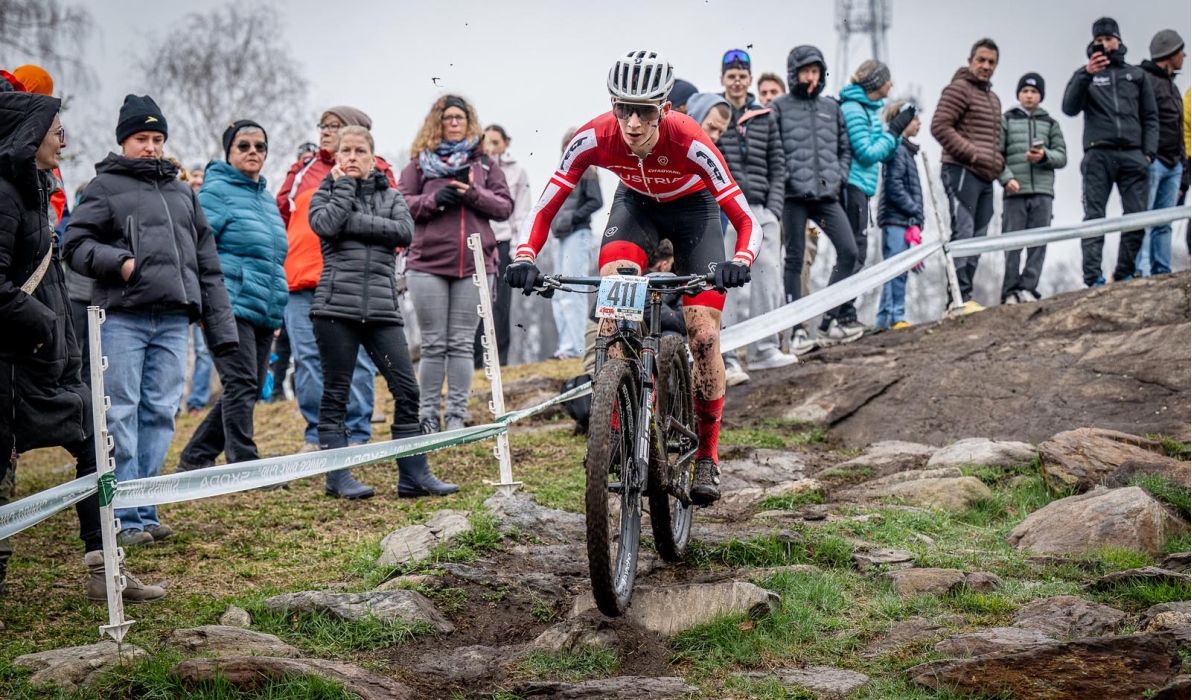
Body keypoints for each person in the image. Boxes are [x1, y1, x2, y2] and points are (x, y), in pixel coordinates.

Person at [507, 50, 761, 505]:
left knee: (703, 335)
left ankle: (707, 456)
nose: (633, 123)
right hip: (636, 208)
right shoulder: (595, 135)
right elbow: (547, 202)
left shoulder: (690, 138)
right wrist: (525, 254)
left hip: (693, 216)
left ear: (665, 109)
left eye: (644, 111)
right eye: (623, 108)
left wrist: (740, 260)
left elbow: (745, 217)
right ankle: (617, 429)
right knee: (613, 316)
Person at [0, 89, 166, 603]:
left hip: (45, 363)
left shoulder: (35, 190)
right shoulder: (4, 195)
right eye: (56, 133)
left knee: (97, 440)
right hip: (10, 366)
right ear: (30, 137)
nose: (61, 143)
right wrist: (44, 323)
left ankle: (104, 568)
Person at [63, 95, 237, 546]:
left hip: (175, 319)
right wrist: (119, 262)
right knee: (121, 413)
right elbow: (75, 244)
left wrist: (219, 327)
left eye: (158, 138)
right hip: (123, 318)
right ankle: (121, 515)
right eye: (142, 138)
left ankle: (146, 507)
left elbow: (207, 262)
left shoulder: (183, 192)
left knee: (160, 412)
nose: (151, 146)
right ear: (124, 141)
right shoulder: (104, 188)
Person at [310, 126, 457, 499]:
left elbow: (404, 232)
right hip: (335, 309)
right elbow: (326, 225)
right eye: (346, 151)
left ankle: (413, 475)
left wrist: (352, 226)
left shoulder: (391, 195)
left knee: (407, 391)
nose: (353, 157)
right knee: (336, 393)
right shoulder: (325, 193)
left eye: (361, 150)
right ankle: (337, 477)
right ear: (336, 157)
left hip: (382, 309)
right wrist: (344, 190)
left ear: (373, 157)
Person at [276, 106, 390, 452]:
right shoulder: (302, 170)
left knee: (355, 357)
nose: (326, 131)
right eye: (323, 125)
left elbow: (390, 221)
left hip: (350, 278)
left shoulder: (378, 169)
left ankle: (356, 433)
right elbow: (280, 216)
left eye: (335, 126)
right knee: (307, 358)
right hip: (301, 280)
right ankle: (318, 434)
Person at [177, 120, 288, 472]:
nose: (253, 151)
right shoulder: (216, 193)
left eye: (260, 146)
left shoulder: (267, 200)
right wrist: (198, 303)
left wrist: (276, 311)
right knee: (240, 382)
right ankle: (245, 465)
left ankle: (196, 455)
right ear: (228, 152)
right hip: (226, 303)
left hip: (262, 308)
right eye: (244, 145)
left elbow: (272, 259)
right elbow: (194, 249)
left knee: (251, 386)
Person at [398, 95, 513, 434]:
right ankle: (429, 416)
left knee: (462, 343)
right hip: (427, 263)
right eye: (447, 117)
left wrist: (471, 194)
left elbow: (505, 206)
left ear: (469, 121)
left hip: (474, 264)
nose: (453, 122)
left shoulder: (487, 165)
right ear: (437, 121)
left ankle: (456, 418)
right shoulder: (419, 164)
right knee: (434, 343)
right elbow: (402, 202)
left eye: (459, 117)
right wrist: (434, 200)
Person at [770, 46, 858, 345]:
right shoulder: (780, 106)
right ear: (794, 73)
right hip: (793, 197)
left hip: (826, 195)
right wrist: (786, 179)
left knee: (849, 252)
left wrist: (839, 176)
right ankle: (797, 331)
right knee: (794, 259)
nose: (811, 76)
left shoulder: (831, 107)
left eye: (815, 71)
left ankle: (828, 319)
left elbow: (845, 149)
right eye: (806, 70)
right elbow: (775, 148)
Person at [1063, 18, 1159, 287]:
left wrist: (1148, 153)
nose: (1104, 44)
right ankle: (1093, 277)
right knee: (1094, 217)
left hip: (1133, 155)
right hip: (1098, 155)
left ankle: (1125, 272)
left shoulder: (1136, 75)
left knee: (1137, 216)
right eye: (1098, 40)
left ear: (1118, 40)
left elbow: (1150, 117)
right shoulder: (1086, 75)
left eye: (1108, 38)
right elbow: (1069, 108)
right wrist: (1087, 73)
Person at [716, 50, 794, 382]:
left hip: (762, 208)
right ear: (722, 79)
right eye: (730, 74)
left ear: (750, 79)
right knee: (729, 282)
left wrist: (775, 209)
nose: (736, 80)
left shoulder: (765, 115)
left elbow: (779, 165)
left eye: (742, 75)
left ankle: (764, 350)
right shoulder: (715, 112)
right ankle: (729, 355)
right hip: (728, 209)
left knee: (768, 275)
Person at [932, 38, 1005, 312]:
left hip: (986, 177)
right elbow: (939, 126)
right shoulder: (958, 89)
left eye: (991, 62)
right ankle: (956, 298)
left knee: (980, 234)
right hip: (961, 170)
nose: (986, 66)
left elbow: (995, 140)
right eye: (981, 60)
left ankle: (967, 294)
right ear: (970, 60)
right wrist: (972, 154)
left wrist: (997, 162)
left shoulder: (993, 99)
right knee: (963, 232)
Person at [998, 74, 1068, 304]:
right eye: (1025, 91)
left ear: (1041, 96)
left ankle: (1029, 287)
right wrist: (1006, 178)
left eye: (1034, 91)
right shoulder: (1006, 120)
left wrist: (1044, 156)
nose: (1029, 95)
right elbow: (996, 154)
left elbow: (1062, 156)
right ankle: (1010, 290)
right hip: (1015, 191)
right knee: (1012, 243)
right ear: (1019, 94)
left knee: (1039, 241)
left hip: (1043, 191)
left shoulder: (1050, 123)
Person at [840, 60, 906, 276]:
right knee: (853, 251)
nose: (891, 84)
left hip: (862, 186)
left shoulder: (869, 111)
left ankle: (845, 307)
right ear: (876, 82)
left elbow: (885, 151)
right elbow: (867, 154)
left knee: (859, 250)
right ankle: (838, 308)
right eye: (887, 79)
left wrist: (894, 135)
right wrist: (892, 134)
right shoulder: (853, 109)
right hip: (852, 184)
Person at [474, 124, 529, 367]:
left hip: (504, 242)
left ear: (506, 143)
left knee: (501, 303)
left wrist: (519, 250)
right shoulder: (475, 168)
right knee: (476, 300)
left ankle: (500, 359)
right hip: (477, 243)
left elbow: (521, 212)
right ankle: (476, 359)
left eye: (496, 142)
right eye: (487, 142)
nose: (491, 147)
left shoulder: (517, 171)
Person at [550, 127, 603, 360]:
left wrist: (571, 218)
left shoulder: (588, 171)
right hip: (560, 236)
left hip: (577, 234)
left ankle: (576, 347)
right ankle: (565, 346)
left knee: (575, 289)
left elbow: (596, 201)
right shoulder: (562, 173)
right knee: (559, 291)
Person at [1137, 30, 1185, 277]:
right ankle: (1141, 271)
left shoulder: (1172, 86)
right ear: (1169, 54)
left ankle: (1161, 271)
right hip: (1153, 161)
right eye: (1180, 51)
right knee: (1143, 220)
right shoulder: (1143, 79)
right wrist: (1146, 154)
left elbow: (1180, 127)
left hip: (1174, 164)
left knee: (1164, 222)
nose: (1184, 55)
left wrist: (1183, 167)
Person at [875, 102, 924, 329]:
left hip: (902, 220)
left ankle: (885, 318)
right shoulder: (897, 151)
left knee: (894, 269)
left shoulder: (907, 152)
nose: (919, 124)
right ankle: (896, 316)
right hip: (896, 220)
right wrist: (914, 210)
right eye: (915, 119)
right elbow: (894, 187)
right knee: (897, 269)